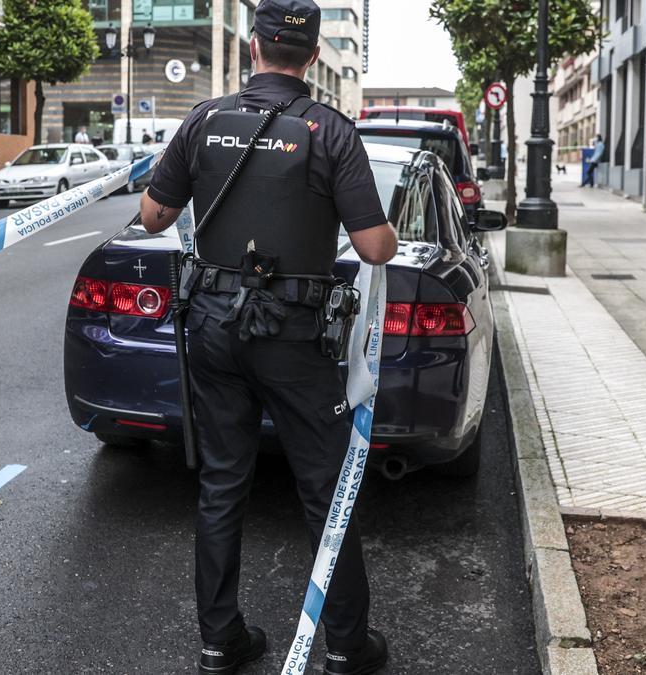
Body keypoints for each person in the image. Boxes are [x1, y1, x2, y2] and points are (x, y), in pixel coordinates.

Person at [139, 1, 397, 673]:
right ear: (311, 57)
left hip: (213, 326)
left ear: (253, 48)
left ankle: (219, 639)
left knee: (223, 481)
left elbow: (150, 216)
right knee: (323, 484)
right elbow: (374, 248)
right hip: (293, 332)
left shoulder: (203, 120)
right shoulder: (330, 131)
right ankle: (345, 645)